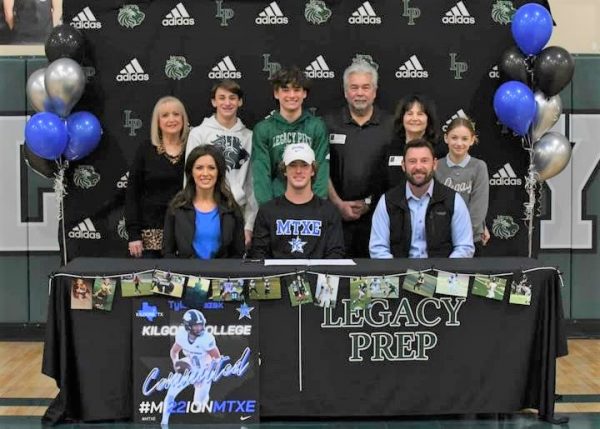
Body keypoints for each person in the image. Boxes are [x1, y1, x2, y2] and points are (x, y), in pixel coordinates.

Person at [324, 59, 394, 257]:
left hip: (379, 219)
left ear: (375, 91)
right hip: (335, 219)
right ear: (346, 92)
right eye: (354, 87)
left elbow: (396, 174)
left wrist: (370, 203)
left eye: (366, 87)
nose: (360, 93)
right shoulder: (328, 123)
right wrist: (338, 204)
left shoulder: (391, 125)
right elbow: (320, 168)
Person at [369, 139, 475, 258]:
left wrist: (443, 269)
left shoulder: (453, 200)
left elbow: (464, 247)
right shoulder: (387, 201)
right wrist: (399, 269)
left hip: (441, 269)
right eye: (412, 161)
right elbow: (378, 249)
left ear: (434, 164)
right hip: (399, 269)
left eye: (424, 161)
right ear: (403, 166)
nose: (418, 167)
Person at [185, 80, 257, 247]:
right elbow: (188, 178)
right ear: (213, 101)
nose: (227, 103)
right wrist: (190, 217)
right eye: (222, 97)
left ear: (240, 101)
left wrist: (249, 225)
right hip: (204, 213)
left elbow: (252, 184)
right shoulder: (198, 134)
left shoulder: (249, 137)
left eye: (232, 98)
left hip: (237, 212)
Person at [249, 143, 344, 259]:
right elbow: (259, 254)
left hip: (318, 271)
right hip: (277, 271)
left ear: (313, 170)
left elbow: (335, 254)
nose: (298, 171)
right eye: (293, 165)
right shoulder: (267, 211)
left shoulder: (329, 212)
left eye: (304, 165)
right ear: (285, 170)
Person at [251, 66, 329, 205]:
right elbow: (261, 174)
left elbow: (321, 169)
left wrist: (317, 206)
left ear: (304, 93)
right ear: (276, 93)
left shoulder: (316, 126)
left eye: (297, 90)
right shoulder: (263, 129)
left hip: (310, 204)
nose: (292, 95)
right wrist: (268, 209)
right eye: (285, 90)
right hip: (276, 203)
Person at [126, 96, 190, 258]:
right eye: (165, 115)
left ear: (183, 119)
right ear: (158, 122)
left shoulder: (193, 148)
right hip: (150, 236)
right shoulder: (146, 150)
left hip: (185, 232)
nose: (171, 119)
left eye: (176, 114)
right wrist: (134, 234)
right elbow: (132, 194)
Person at [163, 145, 245, 259]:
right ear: (191, 172)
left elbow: (238, 254)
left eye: (211, 168)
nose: (205, 173)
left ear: (219, 172)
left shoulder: (231, 209)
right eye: (199, 168)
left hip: (222, 270)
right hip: (186, 270)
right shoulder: (176, 208)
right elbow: (168, 252)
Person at [435, 117, 490, 255]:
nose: (459, 143)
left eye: (464, 139)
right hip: (442, 241)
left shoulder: (479, 167)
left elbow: (478, 209)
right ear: (446, 138)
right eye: (454, 138)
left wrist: (464, 235)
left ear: (472, 140)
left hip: (471, 240)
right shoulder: (436, 166)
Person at [161, 309, 220, 426]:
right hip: (188, 365)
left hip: (204, 369)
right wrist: (176, 364)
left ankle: (203, 397)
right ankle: (164, 423)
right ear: (188, 326)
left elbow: (217, 358)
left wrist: (207, 374)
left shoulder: (207, 338)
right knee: (171, 394)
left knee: (198, 404)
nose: (200, 328)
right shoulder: (181, 334)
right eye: (196, 325)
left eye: (201, 324)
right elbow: (174, 351)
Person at [385, 94, 440, 190]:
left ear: (428, 118)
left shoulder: (440, 149)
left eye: (420, 114)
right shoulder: (389, 150)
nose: (414, 118)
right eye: (409, 114)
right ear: (402, 118)